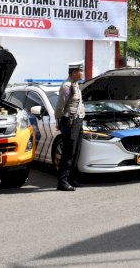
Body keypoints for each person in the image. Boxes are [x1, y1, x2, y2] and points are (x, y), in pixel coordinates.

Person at [54, 63, 85, 191]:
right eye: (81, 71)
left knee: (76, 151)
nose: (83, 73)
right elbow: (61, 105)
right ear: (74, 72)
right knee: (68, 152)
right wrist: (59, 120)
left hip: (78, 121)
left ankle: (71, 178)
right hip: (69, 122)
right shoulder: (66, 86)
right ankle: (62, 181)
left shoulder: (76, 84)